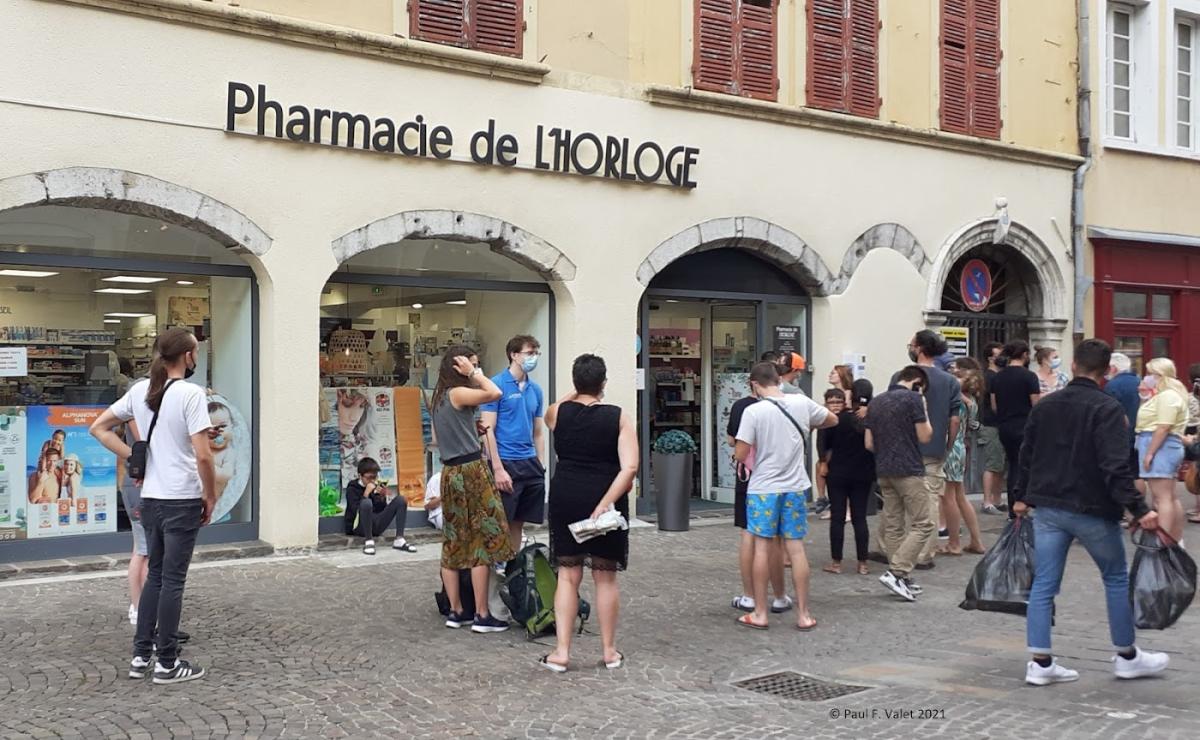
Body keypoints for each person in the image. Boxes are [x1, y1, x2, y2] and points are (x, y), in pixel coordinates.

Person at [1013, 338, 1168, 686]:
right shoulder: (1107, 408)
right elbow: (1114, 465)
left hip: (1049, 505)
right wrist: (1138, 508)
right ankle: (1127, 655)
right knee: (1115, 577)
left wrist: (1021, 496)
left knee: (1044, 583)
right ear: (1107, 371)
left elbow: (1027, 454)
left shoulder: (1046, 406)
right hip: (1092, 507)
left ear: (1073, 366)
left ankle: (1040, 662)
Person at [90, 327, 215, 684]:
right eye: (195, 352)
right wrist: (210, 496)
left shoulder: (140, 390)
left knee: (156, 576)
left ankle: (141, 655)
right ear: (188, 356)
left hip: (151, 498)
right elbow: (204, 456)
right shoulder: (191, 394)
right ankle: (167, 663)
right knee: (173, 579)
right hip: (181, 497)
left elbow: (98, 428)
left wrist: (135, 457)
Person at [539, 354, 638, 672]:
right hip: (604, 498)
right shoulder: (618, 417)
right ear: (604, 383)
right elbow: (630, 468)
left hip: (566, 495)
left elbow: (552, 410)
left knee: (567, 576)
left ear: (575, 382)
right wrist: (606, 502)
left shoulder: (559, 413)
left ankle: (561, 652)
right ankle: (609, 651)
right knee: (605, 577)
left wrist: (578, 390)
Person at [733, 361, 837, 631]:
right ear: (779, 380)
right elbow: (832, 419)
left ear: (755, 384)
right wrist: (806, 428)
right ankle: (804, 614)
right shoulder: (801, 403)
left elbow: (741, 454)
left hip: (763, 488)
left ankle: (760, 612)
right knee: (796, 548)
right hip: (795, 485)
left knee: (762, 547)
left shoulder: (754, 411)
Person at [430, 345, 514, 634]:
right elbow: (495, 392)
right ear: (458, 366)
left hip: (450, 471)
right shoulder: (458, 392)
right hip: (471, 470)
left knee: (453, 541)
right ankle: (481, 614)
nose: (476, 369)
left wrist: (468, 430)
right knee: (481, 541)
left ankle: (456, 611)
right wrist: (474, 373)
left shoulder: (439, 396)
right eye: (471, 364)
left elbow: (443, 434)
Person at [866, 366, 934, 602]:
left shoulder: (876, 401)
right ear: (917, 382)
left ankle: (900, 576)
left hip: (884, 470)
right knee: (924, 523)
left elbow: (869, 443)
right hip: (909, 469)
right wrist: (923, 407)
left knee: (894, 525)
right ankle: (897, 572)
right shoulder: (914, 400)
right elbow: (925, 436)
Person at [726, 378, 792, 615]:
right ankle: (780, 596)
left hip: (750, 477)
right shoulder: (788, 405)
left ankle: (749, 596)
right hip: (780, 477)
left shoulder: (742, 407)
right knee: (776, 538)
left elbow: (733, 442)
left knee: (749, 534)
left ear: (752, 383)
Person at [895, 330, 961, 567]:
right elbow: (955, 419)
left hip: (904, 447)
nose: (910, 348)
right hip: (934, 448)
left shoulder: (901, 377)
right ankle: (924, 554)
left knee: (902, 499)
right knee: (931, 499)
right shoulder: (950, 381)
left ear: (919, 348)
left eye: (912, 345)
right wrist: (948, 445)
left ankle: (899, 551)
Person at [480, 335, 546, 554]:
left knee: (519, 522)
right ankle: (494, 565)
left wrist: (540, 463)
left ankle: (513, 566)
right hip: (506, 460)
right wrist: (497, 468)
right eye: (530, 353)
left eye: (536, 353)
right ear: (514, 355)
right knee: (500, 521)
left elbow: (538, 431)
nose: (534, 357)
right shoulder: (496, 385)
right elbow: (487, 429)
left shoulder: (535, 390)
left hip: (529, 462)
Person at [820, 379, 875, 575]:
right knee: (860, 518)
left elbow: (824, 444)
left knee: (837, 517)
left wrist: (823, 463)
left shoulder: (837, 418)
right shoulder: (871, 419)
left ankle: (836, 563)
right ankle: (863, 563)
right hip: (863, 473)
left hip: (838, 472)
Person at [1135, 358, 1190, 542]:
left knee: (1162, 497)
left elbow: (1163, 427)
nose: (1147, 377)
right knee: (1170, 496)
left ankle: (1163, 539)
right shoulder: (1170, 394)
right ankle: (1173, 538)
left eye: (1150, 373)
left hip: (1160, 446)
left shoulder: (1167, 396)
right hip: (1165, 445)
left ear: (1160, 375)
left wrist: (1150, 452)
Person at [938, 358, 985, 556]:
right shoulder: (971, 400)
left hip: (951, 447)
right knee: (960, 497)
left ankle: (954, 543)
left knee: (948, 497)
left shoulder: (956, 399)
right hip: (961, 448)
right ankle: (976, 541)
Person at [991, 339, 1040, 515]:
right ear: (1025, 355)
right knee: (1025, 465)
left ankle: (1013, 508)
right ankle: (1024, 503)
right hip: (1025, 426)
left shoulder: (998, 376)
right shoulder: (1029, 376)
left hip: (1005, 426)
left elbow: (994, 406)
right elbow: (1036, 405)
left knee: (1013, 465)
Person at [343, 457, 415, 555]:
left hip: (376, 524)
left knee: (400, 500)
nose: (372, 480)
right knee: (366, 503)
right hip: (359, 527)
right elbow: (355, 510)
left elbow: (380, 510)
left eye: (375, 477)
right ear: (360, 476)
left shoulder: (376, 486)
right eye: (369, 478)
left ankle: (399, 539)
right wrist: (366, 494)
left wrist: (382, 497)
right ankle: (369, 541)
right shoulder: (352, 488)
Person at [1103, 352, 1142, 492]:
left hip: (1120, 435)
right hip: (1140, 434)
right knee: (1137, 474)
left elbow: (1109, 413)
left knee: (1120, 474)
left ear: (1113, 368)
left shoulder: (1112, 386)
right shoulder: (1140, 382)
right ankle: (1140, 502)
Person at [978, 342, 1007, 515]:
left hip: (997, 424)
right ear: (990, 358)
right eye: (999, 354)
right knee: (992, 464)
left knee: (999, 464)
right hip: (990, 424)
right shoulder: (989, 377)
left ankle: (997, 499)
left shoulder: (997, 376)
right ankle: (987, 501)